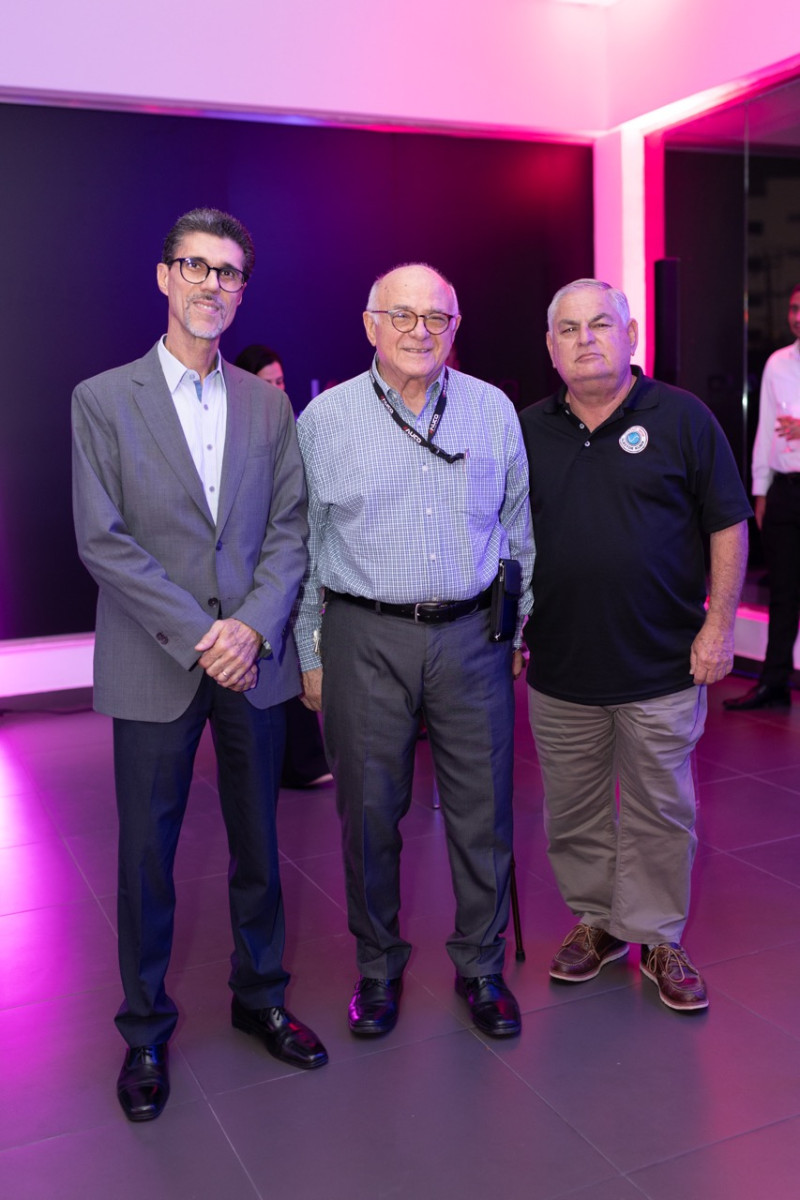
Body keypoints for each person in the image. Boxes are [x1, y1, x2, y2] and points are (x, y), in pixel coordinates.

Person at [72, 207, 328, 1124]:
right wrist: (203, 634)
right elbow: (102, 542)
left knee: (261, 844)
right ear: (163, 277)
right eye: (196, 267)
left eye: (229, 272)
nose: (212, 284)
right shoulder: (102, 398)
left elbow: (290, 528)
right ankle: (144, 1026)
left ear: (241, 289)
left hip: (250, 661)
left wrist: (253, 627)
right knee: (148, 856)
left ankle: (260, 994)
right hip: (156, 660)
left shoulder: (268, 404)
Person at [295, 263, 534, 1039]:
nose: (419, 331)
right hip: (364, 635)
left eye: (436, 318)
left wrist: (516, 627)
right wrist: (310, 652)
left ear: (454, 329)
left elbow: (519, 529)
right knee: (369, 811)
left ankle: (482, 966)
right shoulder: (325, 420)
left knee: (483, 810)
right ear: (370, 325)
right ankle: (378, 967)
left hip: (471, 636)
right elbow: (303, 547)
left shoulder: (492, 410)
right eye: (401, 316)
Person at [520, 278, 751, 1013]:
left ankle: (655, 934)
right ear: (551, 348)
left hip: (662, 663)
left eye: (600, 325)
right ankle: (597, 923)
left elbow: (727, 523)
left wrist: (719, 628)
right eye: (568, 329)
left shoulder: (683, 419)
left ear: (632, 335)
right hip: (559, 666)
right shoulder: (525, 431)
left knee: (660, 807)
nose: (585, 339)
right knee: (574, 810)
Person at [234, 343, 332, 788]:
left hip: (293, 558)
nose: (278, 389)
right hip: (257, 571)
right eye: (268, 381)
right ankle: (289, 762)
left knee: (295, 658)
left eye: (281, 381)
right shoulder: (236, 432)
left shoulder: (293, 427)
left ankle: (304, 761)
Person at [724, 284, 800, 711]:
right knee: (783, 593)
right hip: (785, 490)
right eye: (792, 308)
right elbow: (765, 432)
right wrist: (760, 490)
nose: (797, 316)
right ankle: (774, 684)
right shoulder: (777, 364)